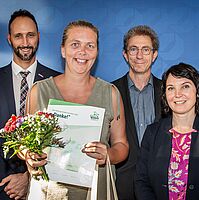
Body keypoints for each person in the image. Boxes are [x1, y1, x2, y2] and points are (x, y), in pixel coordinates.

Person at [19, 20, 129, 199]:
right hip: (49, 191)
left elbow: (122, 145)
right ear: (63, 50)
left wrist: (107, 154)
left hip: (95, 191)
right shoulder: (39, 91)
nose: (82, 52)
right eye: (75, 44)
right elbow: (23, 144)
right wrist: (29, 155)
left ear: (97, 52)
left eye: (90, 45)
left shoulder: (111, 93)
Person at [0, 9, 60, 199]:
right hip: (2, 186)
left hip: (45, 185)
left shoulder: (57, 81)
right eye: (18, 36)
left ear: (38, 37)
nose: (25, 43)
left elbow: (62, 139)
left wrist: (29, 176)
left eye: (30, 35)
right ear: (9, 39)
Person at [135, 62, 199, 200]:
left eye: (185, 86)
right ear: (165, 95)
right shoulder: (152, 133)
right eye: (171, 88)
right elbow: (141, 181)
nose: (177, 94)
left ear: (197, 91)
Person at [112, 25, 162, 199]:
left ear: (154, 55)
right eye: (133, 49)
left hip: (159, 184)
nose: (139, 56)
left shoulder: (169, 93)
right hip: (121, 184)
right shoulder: (110, 91)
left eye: (145, 50)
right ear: (125, 55)